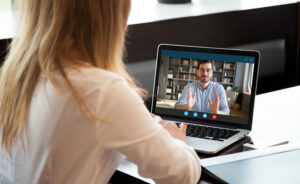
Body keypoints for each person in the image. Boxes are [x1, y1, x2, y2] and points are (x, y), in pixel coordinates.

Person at [0, 0, 201, 183]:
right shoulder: (100, 90)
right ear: (113, 14)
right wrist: (176, 143)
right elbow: (180, 175)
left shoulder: (17, 77)